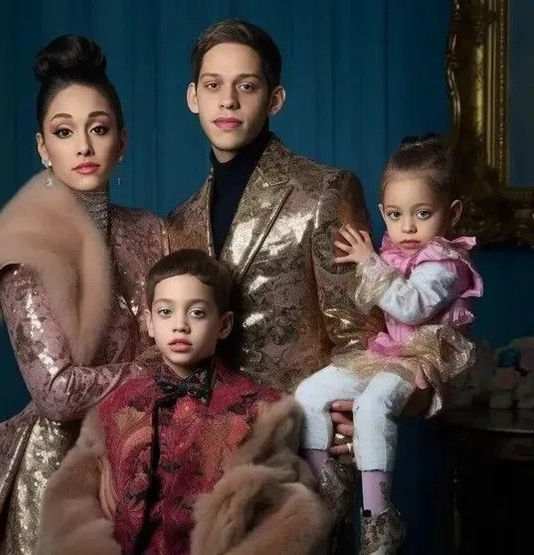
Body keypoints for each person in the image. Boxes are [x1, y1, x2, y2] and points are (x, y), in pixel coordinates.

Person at [166, 19, 395, 536]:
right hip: (201, 470)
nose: (228, 100)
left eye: (246, 86)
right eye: (213, 85)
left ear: (275, 99)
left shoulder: (324, 191)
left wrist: (343, 436)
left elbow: (361, 337)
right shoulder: (180, 221)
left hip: (299, 463)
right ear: (193, 97)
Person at [0, 35, 167, 554]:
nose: (84, 147)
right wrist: (154, 370)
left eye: (99, 128)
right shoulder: (24, 249)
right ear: (43, 147)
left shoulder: (152, 231)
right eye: (64, 132)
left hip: (147, 452)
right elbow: (56, 392)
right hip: (58, 471)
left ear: (122, 141)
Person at [36, 249, 330, 555]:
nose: (180, 325)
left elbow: (281, 514)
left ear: (224, 325)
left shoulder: (261, 411)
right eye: (166, 312)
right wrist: (102, 463)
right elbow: (81, 502)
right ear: (150, 322)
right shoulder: (120, 405)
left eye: (197, 313)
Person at [295, 134, 484, 553]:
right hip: (386, 352)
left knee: (374, 403)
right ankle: (328, 490)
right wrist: (371, 262)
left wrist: (369, 263)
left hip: (422, 356)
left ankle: (379, 517)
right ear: (383, 212)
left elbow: (411, 306)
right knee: (308, 393)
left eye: (423, 213)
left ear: (452, 213)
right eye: (395, 215)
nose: (408, 227)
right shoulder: (393, 252)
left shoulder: (445, 263)